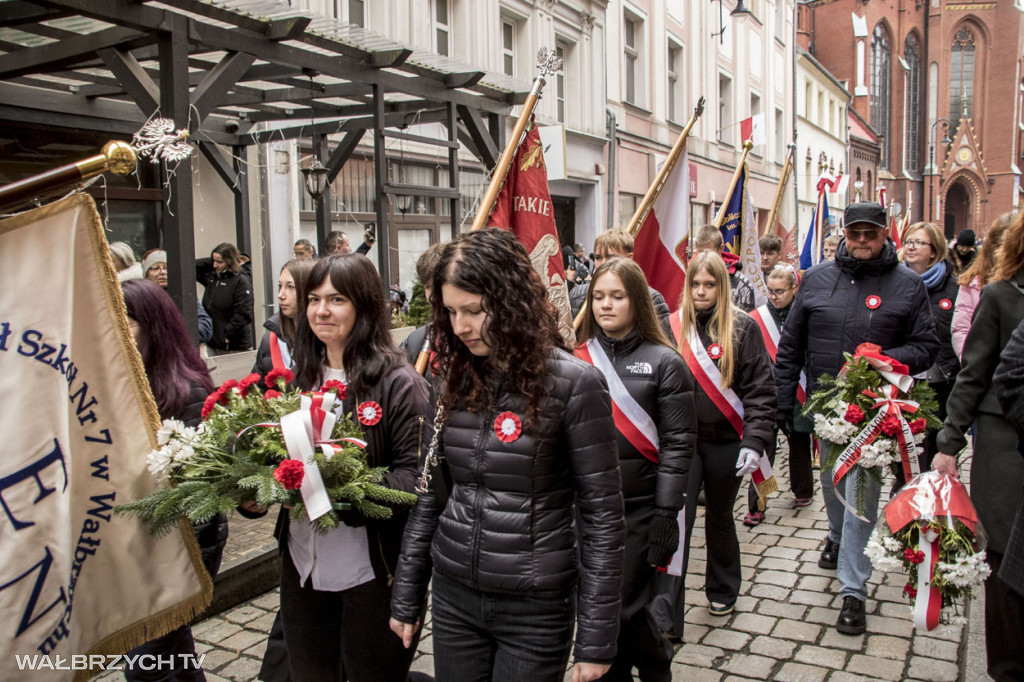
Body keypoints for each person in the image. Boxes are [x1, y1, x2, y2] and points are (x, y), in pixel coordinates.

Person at [389, 228, 625, 682]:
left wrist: (596, 640)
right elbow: (429, 496)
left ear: (509, 301)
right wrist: (407, 593)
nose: (460, 327)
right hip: (456, 599)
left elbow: (602, 519)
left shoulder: (576, 384)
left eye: (474, 311)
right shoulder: (451, 380)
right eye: (451, 312)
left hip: (533, 608)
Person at [775, 202, 939, 636]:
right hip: (826, 408)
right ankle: (833, 535)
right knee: (832, 485)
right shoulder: (816, 280)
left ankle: (853, 590)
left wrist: (884, 359)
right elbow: (790, 347)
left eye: (871, 232)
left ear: (886, 234)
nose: (862, 240)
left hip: (875, 410)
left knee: (860, 498)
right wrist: (779, 404)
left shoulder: (908, 284)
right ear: (844, 234)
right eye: (855, 233)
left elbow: (927, 346)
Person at [265, 255, 431, 682]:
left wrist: (342, 489)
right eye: (314, 299)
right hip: (303, 566)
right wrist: (253, 490)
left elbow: (417, 480)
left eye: (336, 299)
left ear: (365, 306)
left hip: (372, 572)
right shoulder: (296, 378)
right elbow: (269, 457)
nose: (321, 310)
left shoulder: (400, 384)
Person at [574, 257, 695, 682]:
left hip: (640, 509)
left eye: (617, 297)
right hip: (584, 506)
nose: (605, 306)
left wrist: (666, 513)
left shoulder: (666, 362)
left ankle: (657, 661)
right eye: (598, 297)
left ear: (637, 300)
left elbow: (679, 446)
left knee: (622, 604)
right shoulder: (575, 357)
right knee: (595, 603)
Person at [650, 251, 776, 636]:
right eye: (695, 284)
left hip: (727, 444)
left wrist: (754, 442)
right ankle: (666, 608)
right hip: (682, 444)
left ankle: (723, 587)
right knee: (675, 520)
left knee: (720, 517)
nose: (702, 292)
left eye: (710, 284)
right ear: (686, 287)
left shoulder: (743, 328)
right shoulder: (670, 327)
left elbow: (760, 391)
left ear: (722, 287)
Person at [932, 212, 1024, 681]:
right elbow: (974, 373)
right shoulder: (1001, 296)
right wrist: (949, 441)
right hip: (1004, 438)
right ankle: (1006, 667)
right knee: (1007, 550)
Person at [121, 279, 225, 682]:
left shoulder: (187, 390)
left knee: (144, 664)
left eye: (126, 320)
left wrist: (184, 561)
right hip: (141, 544)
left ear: (151, 324)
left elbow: (202, 491)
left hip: (183, 546)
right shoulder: (125, 381)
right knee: (175, 656)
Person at [744, 264, 814, 527]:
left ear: (794, 289)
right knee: (763, 451)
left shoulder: (805, 315)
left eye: (780, 291)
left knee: (799, 444)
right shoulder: (756, 318)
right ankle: (757, 505)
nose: (774, 296)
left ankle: (803, 491)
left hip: (797, 391)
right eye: (770, 291)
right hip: (767, 393)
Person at [897, 222, 960, 476]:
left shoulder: (953, 287)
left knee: (931, 450)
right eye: (908, 241)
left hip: (940, 381)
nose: (911, 246)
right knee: (902, 452)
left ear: (934, 250)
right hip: (902, 379)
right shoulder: (894, 283)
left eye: (919, 242)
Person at [568, 229, 671, 332]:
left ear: (629, 258)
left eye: (611, 257)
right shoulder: (577, 295)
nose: (603, 264)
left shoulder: (652, 299)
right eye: (598, 257)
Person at [952, 213, 1013, 359]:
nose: (1005, 252)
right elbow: (961, 330)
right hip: (983, 368)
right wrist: (972, 364)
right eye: (1001, 245)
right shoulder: (972, 283)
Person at [141, 248, 213, 345]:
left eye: (166, 267)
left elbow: (205, 326)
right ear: (146, 274)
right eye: (155, 268)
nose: (162, 272)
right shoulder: (140, 298)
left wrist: (178, 335)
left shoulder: (183, 294)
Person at [196, 243, 254, 354]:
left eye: (219, 262)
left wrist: (227, 334)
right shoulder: (212, 278)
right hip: (214, 343)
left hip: (234, 346)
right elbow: (193, 266)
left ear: (230, 262)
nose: (214, 265)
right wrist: (215, 259)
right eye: (213, 261)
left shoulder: (241, 281)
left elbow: (243, 313)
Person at [401, 243, 445, 379]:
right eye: (428, 287)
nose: (433, 296)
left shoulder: (474, 338)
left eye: (439, 287)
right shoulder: (415, 342)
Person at [693, 225, 756, 312]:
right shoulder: (691, 278)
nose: (705, 257)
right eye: (700, 252)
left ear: (721, 248)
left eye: (710, 253)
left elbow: (746, 322)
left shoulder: (741, 285)